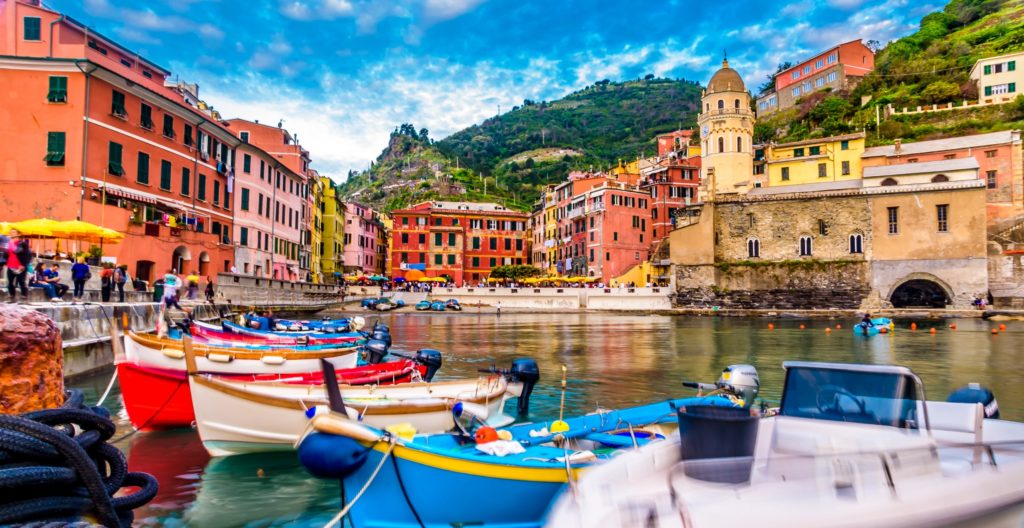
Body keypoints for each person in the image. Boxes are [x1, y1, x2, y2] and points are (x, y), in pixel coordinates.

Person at [4, 229, 32, 302]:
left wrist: (23, 265)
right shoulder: (8, 243)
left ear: (18, 234)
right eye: (10, 232)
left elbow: (19, 252)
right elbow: (6, 253)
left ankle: (24, 298)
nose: (11, 233)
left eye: (13, 232)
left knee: (21, 282)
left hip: (20, 266)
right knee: (10, 282)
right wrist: (4, 262)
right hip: (10, 265)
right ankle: (11, 297)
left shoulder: (22, 243)